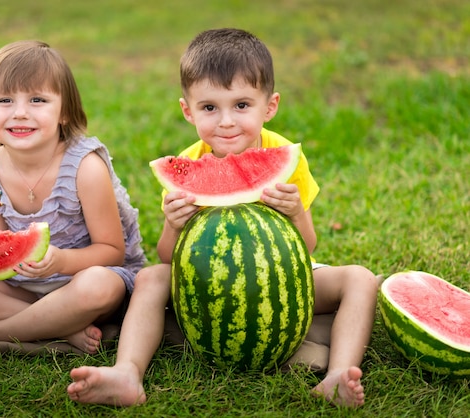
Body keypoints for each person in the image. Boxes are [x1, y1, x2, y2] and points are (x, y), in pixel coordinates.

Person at [66, 28, 379, 408]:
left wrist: (295, 212)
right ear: (188, 110)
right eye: (210, 108)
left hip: (283, 279)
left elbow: (307, 246)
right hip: (205, 284)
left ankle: (336, 375)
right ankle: (127, 372)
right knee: (150, 277)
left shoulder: (286, 156)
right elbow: (169, 256)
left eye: (242, 105)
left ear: (270, 105)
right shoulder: (188, 162)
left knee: (360, 279)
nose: (227, 122)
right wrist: (173, 223)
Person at [0, 40, 145, 354]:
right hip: (21, 289)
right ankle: (58, 331)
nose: (20, 113)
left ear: (65, 112)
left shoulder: (84, 169)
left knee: (97, 287)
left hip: (81, 283)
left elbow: (112, 252)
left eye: (38, 100)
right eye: (5, 100)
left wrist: (61, 261)